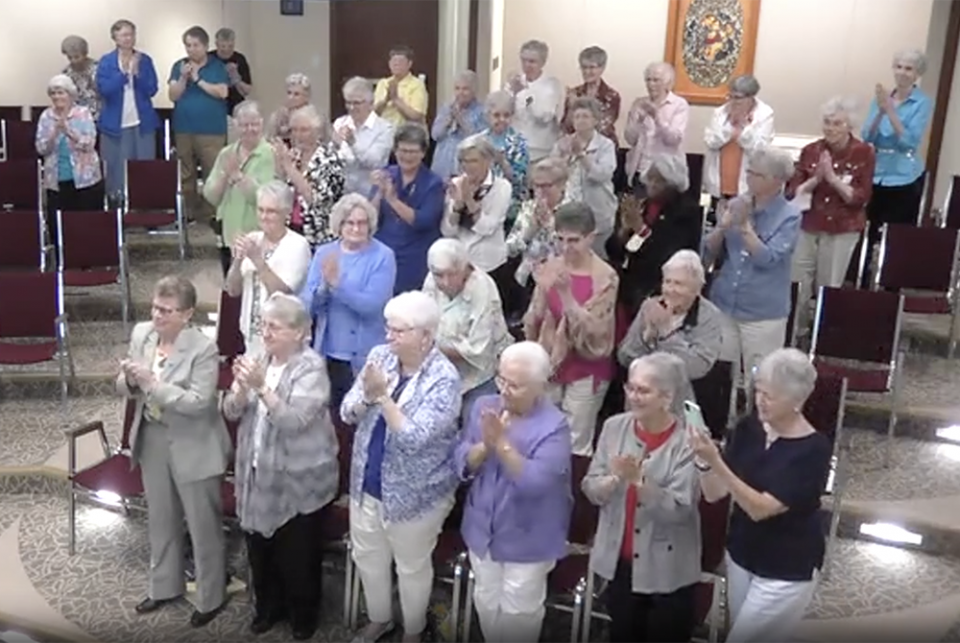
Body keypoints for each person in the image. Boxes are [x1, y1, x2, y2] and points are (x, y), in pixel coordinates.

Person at [341, 291, 462, 643]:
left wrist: (382, 397)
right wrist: (367, 395)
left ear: (426, 335)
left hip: (417, 492)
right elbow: (348, 412)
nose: (388, 337)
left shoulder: (444, 378)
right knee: (369, 557)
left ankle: (413, 631)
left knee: (411, 566)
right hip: (368, 480)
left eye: (399, 331)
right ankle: (379, 619)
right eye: (388, 328)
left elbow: (415, 438)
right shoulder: (381, 357)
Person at [690, 348, 831, 643]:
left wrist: (716, 462)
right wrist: (703, 461)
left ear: (796, 401)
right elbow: (714, 493)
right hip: (742, 554)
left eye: (770, 396)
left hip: (787, 567)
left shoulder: (812, 450)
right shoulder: (748, 428)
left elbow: (760, 508)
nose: (760, 401)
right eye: (759, 392)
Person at [223, 293, 338, 640]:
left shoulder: (311, 368)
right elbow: (230, 411)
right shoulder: (257, 358)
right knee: (260, 549)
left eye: (274, 327)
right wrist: (242, 390)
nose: (266, 333)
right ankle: (267, 610)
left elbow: (294, 421)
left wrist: (261, 388)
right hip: (256, 472)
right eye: (263, 325)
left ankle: (303, 618)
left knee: (297, 556)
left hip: (300, 479)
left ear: (300, 332)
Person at [116, 276, 230, 627]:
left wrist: (154, 384)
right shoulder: (142, 334)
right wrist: (132, 380)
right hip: (152, 437)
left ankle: (211, 596)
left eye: (166, 311)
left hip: (195, 442)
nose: (157, 316)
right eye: (154, 307)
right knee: (161, 518)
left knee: (202, 523)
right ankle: (164, 586)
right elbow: (122, 385)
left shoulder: (203, 348)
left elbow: (199, 403)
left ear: (188, 313)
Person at [454, 341, 572, 643]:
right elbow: (461, 459)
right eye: (501, 380)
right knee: (485, 599)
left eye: (515, 385)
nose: (504, 390)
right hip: (483, 529)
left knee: (519, 613)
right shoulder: (484, 406)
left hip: (527, 537)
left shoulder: (554, 427)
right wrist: (484, 446)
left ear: (540, 387)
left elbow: (536, 483)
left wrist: (502, 443)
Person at [583, 352, 703, 643]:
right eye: (631, 387)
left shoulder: (689, 441)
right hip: (620, 564)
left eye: (643, 390)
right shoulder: (614, 427)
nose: (633, 396)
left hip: (668, 570)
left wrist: (641, 482)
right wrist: (614, 481)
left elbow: (680, 510)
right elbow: (590, 485)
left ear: (667, 396)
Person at [524, 202, 618, 456]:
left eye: (574, 240)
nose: (566, 247)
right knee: (544, 434)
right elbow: (533, 321)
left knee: (576, 443)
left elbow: (596, 333)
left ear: (591, 237)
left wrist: (566, 296)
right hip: (550, 363)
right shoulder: (551, 264)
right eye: (560, 239)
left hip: (587, 367)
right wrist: (542, 291)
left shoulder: (605, 277)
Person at [703, 147, 800, 391]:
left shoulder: (790, 216)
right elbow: (706, 252)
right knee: (722, 379)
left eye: (757, 175)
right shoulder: (736, 204)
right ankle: (723, 425)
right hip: (725, 304)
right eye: (749, 172)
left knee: (760, 383)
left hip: (763, 313)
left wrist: (744, 226)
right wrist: (722, 228)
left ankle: (756, 427)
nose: (748, 179)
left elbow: (768, 259)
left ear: (777, 181)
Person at [301, 194, 397, 415]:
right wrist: (325, 288)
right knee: (329, 417)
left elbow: (372, 305)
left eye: (362, 222)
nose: (356, 228)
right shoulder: (325, 253)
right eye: (350, 222)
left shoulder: (383, 256)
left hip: (365, 355)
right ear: (339, 224)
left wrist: (337, 285)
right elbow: (308, 305)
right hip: (328, 353)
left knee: (359, 417)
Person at [787, 96, 875, 330]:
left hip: (842, 228)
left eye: (837, 123)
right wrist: (816, 179)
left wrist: (833, 180)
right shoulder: (811, 151)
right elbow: (792, 192)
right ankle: (797, 331)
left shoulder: (863, 153)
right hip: (808, 224)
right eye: (827, 122)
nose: (831, 128)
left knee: (828, 286)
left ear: (850, 126)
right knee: (797, 282)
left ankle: (822, 336)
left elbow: (859, 198)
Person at [859, 48, 933, 286]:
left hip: (904, 176)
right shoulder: (881, 98)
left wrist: (891, 112)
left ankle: (890, 289)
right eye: (899, 66)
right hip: (877, 172)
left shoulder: (921, 103)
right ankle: (862, 283)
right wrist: (881, 112)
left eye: (908, 68)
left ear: (918, 73)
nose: (902, 72)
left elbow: (909, 140)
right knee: (868, 230)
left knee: (895, 235)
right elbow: (867, 136)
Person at [423, 238, 513, 422]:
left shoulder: (483, 288)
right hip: (440, 371)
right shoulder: (432, 278)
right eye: (439, 275)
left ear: (464, 268)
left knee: (475, 431)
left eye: (452, 274)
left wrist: (427, 347)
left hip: (478, 378)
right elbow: (423, 319)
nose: (445, 282)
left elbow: (477, 349)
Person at [606, 153, 702, 323]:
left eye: (658, 181)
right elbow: (614, 252)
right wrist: (623, 232)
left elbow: (667, 256)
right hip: (629, 287)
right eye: (649, 179)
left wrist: (640, 229)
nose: (651, 185)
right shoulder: (641, 206)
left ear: (672, 184)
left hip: (659, 290)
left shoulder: (686, 212)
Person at [618, 250, 723, 405]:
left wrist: (666, 333)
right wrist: (646, 338)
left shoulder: (709, 316)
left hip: (682, 402)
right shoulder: (650, 306)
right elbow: (625, 357)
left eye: (679, 284)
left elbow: (698, 367)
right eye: (667, 282)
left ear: (697, 289)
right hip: (640, 398)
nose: (670, 290)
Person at [225, 181, 312, 355]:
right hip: (251, 336)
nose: (264, 216)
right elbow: (232, 290)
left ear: (286, 212)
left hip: (284, 339)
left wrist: (257, 259)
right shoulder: (253, 238)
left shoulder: (297, 245)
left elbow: (283, 293)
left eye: (271, 211)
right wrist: (237, 260)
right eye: (260, 210)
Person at [203, 100, 277, 275]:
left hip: (259, 236)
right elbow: (210, 195)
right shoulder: (226, 153)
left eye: (254, 124)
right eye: (244, 125)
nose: (249, 129)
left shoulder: (270, 154)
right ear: (235, 126)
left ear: (262, 123)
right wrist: (224, 178)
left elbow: (264, 198)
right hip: (229, 234)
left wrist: (238, 177)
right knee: (232, 287)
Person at [168, 25, 230, 226]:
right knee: (186, 173)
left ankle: (212, 214)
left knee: (213, 172)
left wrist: (198, 79)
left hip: (211, 130)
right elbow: (173, 95)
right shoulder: (179, 66)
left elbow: (222, 92)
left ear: (205, 46)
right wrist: (184, 78)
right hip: (184, 128)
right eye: (187, 45)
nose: (191, 49)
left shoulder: (217, 66)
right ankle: (188, 213)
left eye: (195, 45)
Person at [373, 124, 445, 295]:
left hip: (415, 257)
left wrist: (392, 200)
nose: (407, 156)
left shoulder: (433, 183)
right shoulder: (387, 173)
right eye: (402, 150)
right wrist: (379, 193)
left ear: (423, 153)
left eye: (412, 151)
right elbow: (371, 218)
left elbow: (422, 221)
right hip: (384, 251)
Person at [97, 20, 161, 206]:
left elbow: (152, 89)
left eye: (131, 34)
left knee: (143, 166)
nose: (128, 39)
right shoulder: (107, 61)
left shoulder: (144, 60)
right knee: (116, 167)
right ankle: (118, 208)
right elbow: (104, 90)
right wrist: (124, 74)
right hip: (115, 124)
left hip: (142, 123)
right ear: (115, 38)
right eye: (124, 35)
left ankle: (144, 207)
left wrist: (137, 74)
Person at [35, 74, 105, 242]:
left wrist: (69, 132)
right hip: (56, 181)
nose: (57, 97)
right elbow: (41, 148)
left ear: (70, 94)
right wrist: (54, 133)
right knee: (59, 226)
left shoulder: (83, 113)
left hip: (85, 179)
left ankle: (87, 260)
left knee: (86, 225)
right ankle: (62, 259)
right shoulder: (46, 116)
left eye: (61, 92)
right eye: (53, 93)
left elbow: (89, 144)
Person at [441, 134, 513, 294]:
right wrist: (458, 206)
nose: (467, 166)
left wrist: (469, 200)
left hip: (489, 264)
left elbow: (486, 228)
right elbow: (447, 231)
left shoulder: (502, 187)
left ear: (488, 161)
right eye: (463, 161)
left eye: (473, 161)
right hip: (459, 263)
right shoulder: (456, 184)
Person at [553, 96, 618, 256]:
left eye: (585, 116)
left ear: (595, 120)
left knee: (594, 261)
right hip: (568, 212)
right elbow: (553, 174)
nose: (580, 121)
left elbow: (602, 175)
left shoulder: (605, 145)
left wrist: (581, 155)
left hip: (597, 213)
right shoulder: (562, 143)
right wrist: (564, 157)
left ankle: (589, 283)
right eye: (577, 116)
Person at [275, 104, 346, 247]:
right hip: (291, 230)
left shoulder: (330, 158)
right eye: (294, 130)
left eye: (304, 130)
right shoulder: (295, 156)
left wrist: (288, 167)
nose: (298, 135)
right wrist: (280, 163)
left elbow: (315, 199)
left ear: (317, 132)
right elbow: (281, 187)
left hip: (319, 234)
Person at [703, 74, 775, 212]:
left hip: (746, 185)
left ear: (751, 97)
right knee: (718, 227)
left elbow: (760, 150)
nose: (733, 101)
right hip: (720, 183)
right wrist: (729, 128)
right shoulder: (721, 112)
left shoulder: (765, 115)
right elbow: (710, 141)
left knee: (742, 227)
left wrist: (743, 129)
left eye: (738, 98)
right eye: (731, 96)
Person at [624, 62, 689, 190]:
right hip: (640, 170)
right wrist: (639, 121)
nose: (651, 84)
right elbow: (630, 139)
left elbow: (674, 139)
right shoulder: (639, 103)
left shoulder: (679, 105)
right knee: (636, 209)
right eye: (648, 80)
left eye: (656, 80)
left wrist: (658, 118)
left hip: (665, 174)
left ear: (667, 83)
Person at [334, 76, 395, 197]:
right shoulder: (339, 123)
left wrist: (353, 143)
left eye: (356, 103)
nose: (351, 107)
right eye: (348, 102)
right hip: (342, 193)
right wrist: (334, 145)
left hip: (370, 195)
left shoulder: (385, 129)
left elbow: (375, 162)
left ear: (371, 104)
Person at [506, 40, 565, 163]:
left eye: (532, 61)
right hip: (515, 147)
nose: (527, 65)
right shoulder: (514, 82)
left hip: (540, 151)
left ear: (542, 62)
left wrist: (525, 93)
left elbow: (544, 116)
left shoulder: (551, 85)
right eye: (524, 60)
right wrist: (513, 94)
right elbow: (504, 112)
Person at [481, 90, 530, 225]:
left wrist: (502, 162)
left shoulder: (519, 142)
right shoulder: (480, 141)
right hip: (483, 207)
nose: (501, 119)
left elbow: (520, 181)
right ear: (487, 116)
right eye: (496, 115)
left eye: (506, 115)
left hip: (510, 208)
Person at [431, 70, 488, 179]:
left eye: (465, 89)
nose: (460, 93)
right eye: (457, 88)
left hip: (465, 167)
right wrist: (448, 121)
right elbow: (435, 135)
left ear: (474, 90)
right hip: (442, 165)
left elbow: (479, 140)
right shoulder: (447, 108)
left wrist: (460, 120)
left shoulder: (482, 111)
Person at [563, 46, 621, 145]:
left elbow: (601, 127)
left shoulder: (611, 96)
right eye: (584, 67)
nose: (587, 72)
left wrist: (578, 105)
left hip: (603, 148)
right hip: (577, 147)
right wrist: (572, 108)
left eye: (592, 67)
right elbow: (566, 127)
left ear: (602, 68)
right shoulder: (575, 92)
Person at [374, 45, 429, 128]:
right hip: (384, 130)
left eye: (400, 61)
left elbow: (416, 116)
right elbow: (374, 113)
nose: (396, 64)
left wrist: (396, 100)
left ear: (409, 64)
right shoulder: (383, 83)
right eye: (393, 61)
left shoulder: (417, 85)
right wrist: (386, 100)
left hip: (409, 132)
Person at [211, 28, 253, 116]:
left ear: (234, 44)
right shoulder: (209, 58)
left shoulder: (240, 59)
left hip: (235, 107)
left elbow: (247, 90)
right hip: (213, 106)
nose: (226, 50)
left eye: (230, 46)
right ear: (217, 44)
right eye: (223, 46)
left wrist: (236, 78)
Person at [60, 35, 99, 123]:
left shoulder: (98, 68)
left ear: (85, 53)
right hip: (77, 119)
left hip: (99, 117)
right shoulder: (66, 73)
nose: (73, 60)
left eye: (77, 57)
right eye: (70, 57)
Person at [266, 73, 312, 141]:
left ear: (306, 97)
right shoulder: (277, 117)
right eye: (289, 93)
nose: (291, 97)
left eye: (296, 94)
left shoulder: (313, 118)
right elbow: (269, 140)